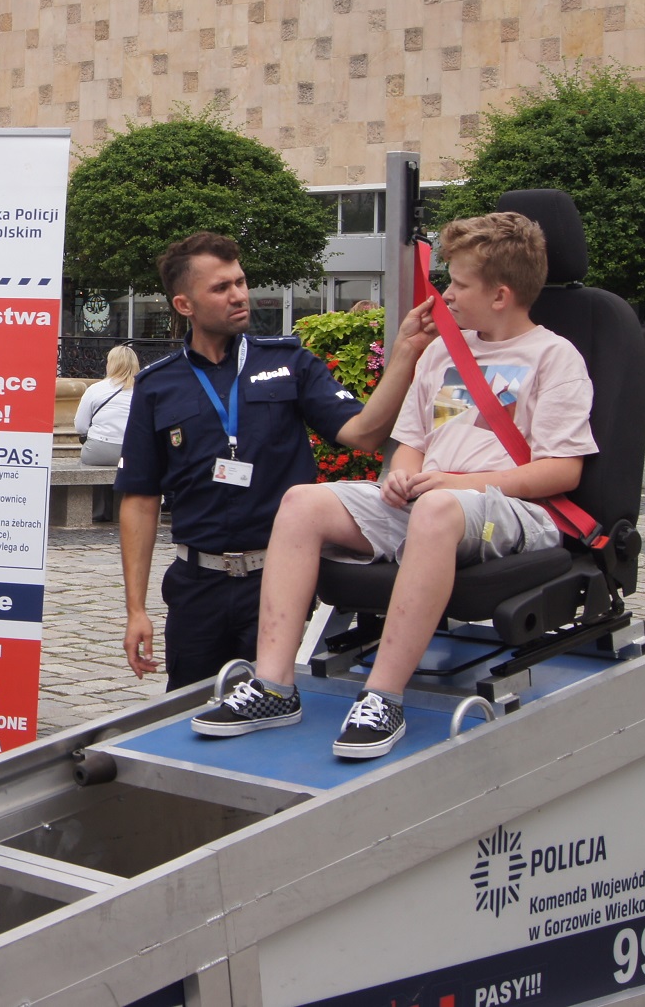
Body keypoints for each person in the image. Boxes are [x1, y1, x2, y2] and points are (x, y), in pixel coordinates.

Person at [192, 213, 595, 758]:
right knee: (302, 502)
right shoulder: (441, 354)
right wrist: (401, 475)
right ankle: (273, 686)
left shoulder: (554, 357)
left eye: (458, 284)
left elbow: (562, 471)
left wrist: (452, 484)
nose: (446, 294)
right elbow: (412, 442)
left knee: (437, 510)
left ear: (500, 295)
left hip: (512, 511)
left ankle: (383, 696)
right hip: (436, 499)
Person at [118, 232, 437, 691]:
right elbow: (140, 499)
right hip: (196, 586)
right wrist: (136, 610)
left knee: (275, 701)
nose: (239, 296)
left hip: (279, 582)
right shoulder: (157, 385)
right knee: (189, 710)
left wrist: (406, 352)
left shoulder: (289, 362)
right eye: (221, 288)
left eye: (240, 282)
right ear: (184, 305)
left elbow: (363, 433)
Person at [75, 345, 139, 467]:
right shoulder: (144, 390)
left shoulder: (95, 389)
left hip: (98, 450)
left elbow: (80, 426)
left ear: (111, 365)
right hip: (133, 452)